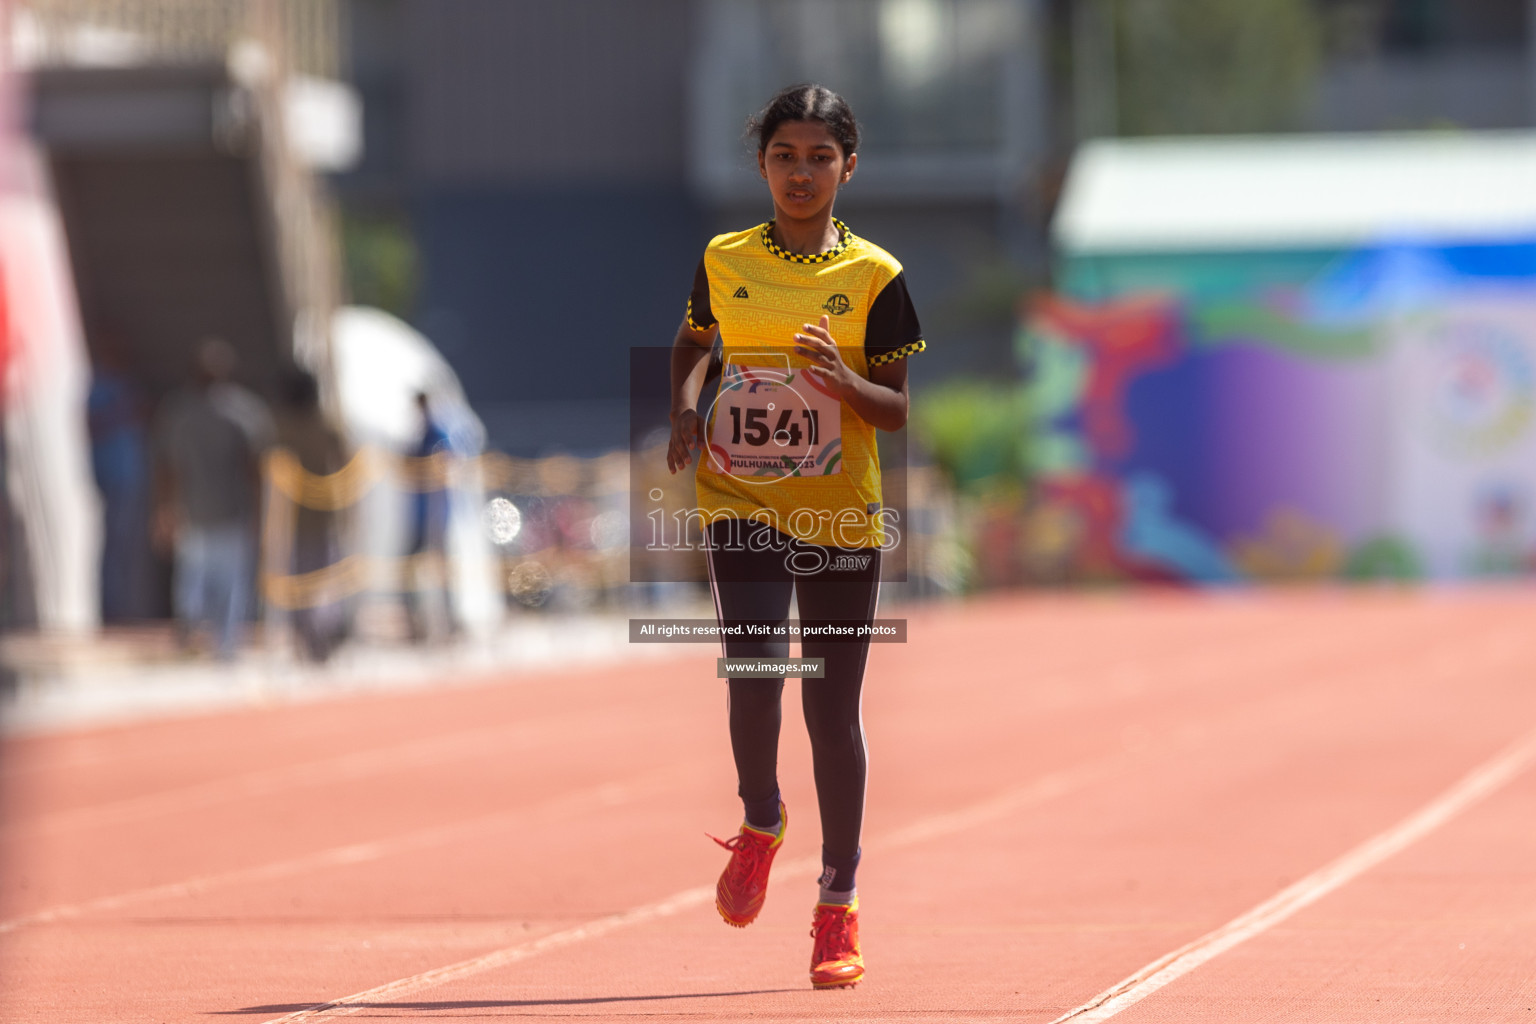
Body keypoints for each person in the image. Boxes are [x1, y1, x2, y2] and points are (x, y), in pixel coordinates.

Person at [667, 83, 925, 990]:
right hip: (737, 496)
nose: (802, 172)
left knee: (830, 709)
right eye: (785, 156)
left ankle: (837, 901)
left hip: (838, 515)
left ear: (849, 167)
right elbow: (692, 342)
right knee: (754, 668)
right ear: (763, 165)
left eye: (821, 157)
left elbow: (896, 411)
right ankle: (762, 820)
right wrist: (685, 409)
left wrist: (841, 382)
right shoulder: (724, 255)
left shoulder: (875, 278)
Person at [154, 338, 273, 659]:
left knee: (198, 583)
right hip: (222, 511)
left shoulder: (184, 413)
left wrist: (166, 509)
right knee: (219, 585)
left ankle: (203, 638)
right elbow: (255, 471)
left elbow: (168, 468)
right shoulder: (243, 413)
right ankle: (220, 645)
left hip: (202, 511)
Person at [273, 370, 352, 662]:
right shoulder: (324, 426)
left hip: (297, 520)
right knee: (321, 581)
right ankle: (317, 637)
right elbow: (345, 459)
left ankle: (310, 637)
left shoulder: (282, 429)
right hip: (318, 517)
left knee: (303, 580)